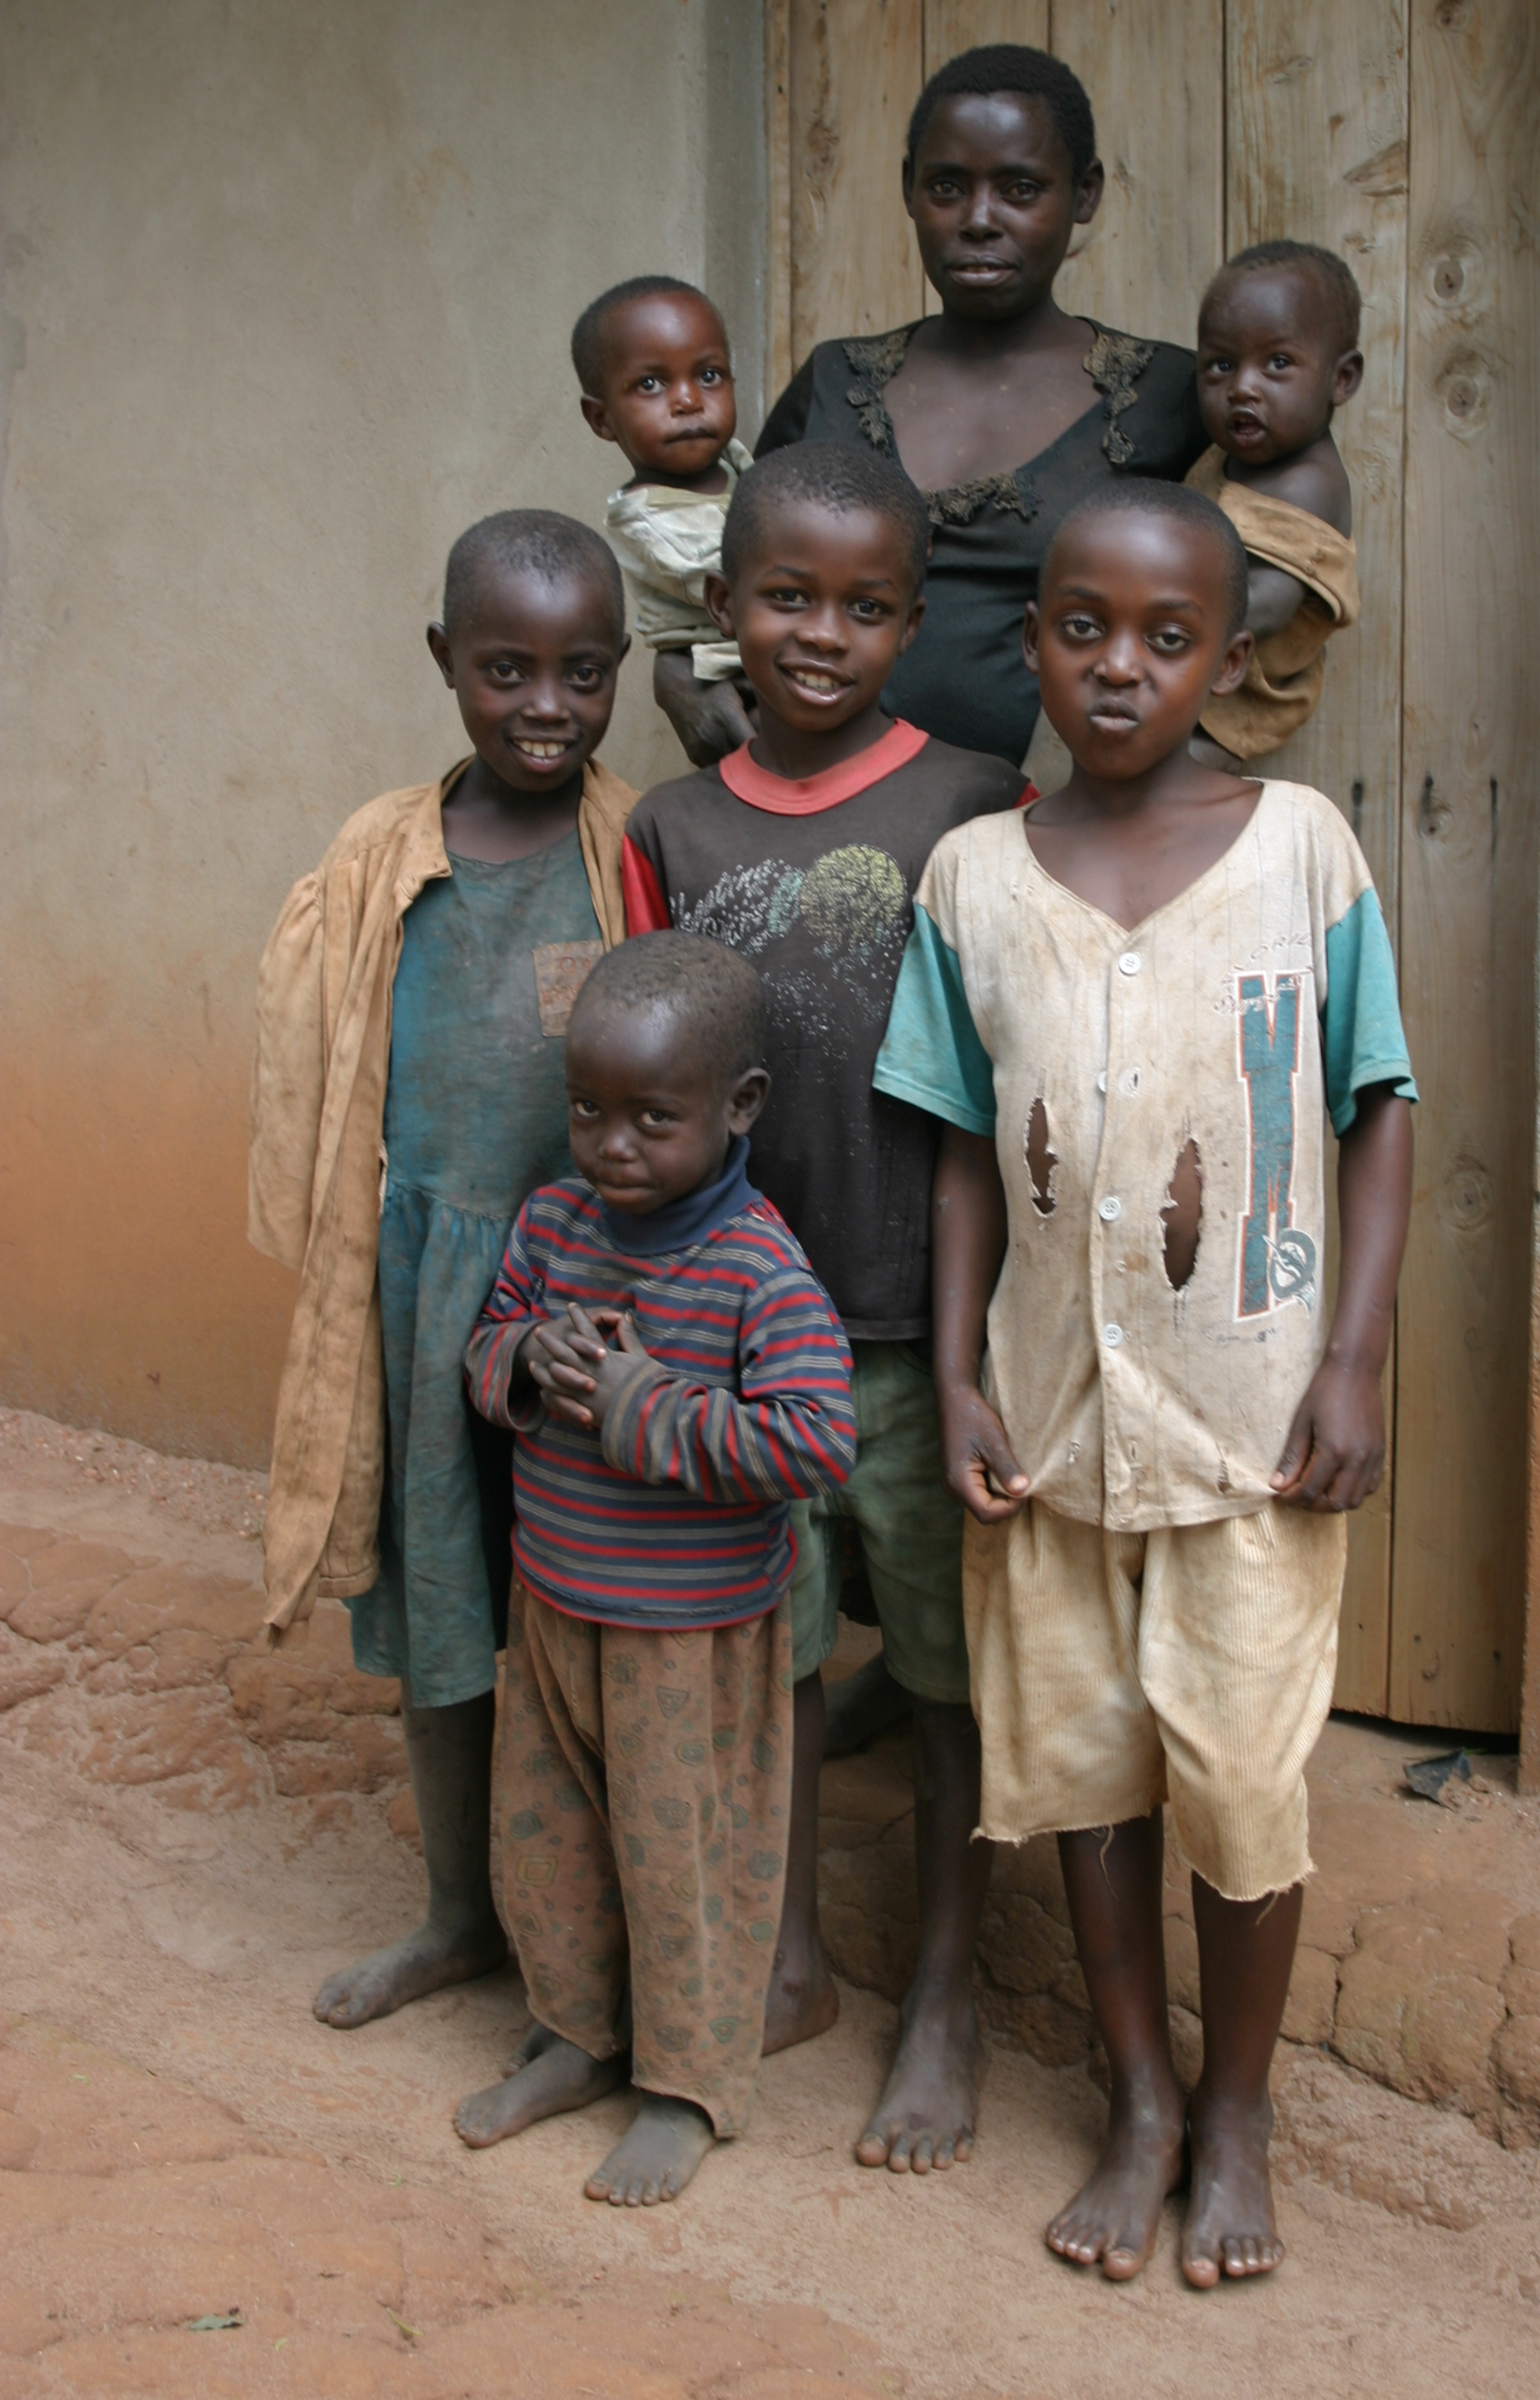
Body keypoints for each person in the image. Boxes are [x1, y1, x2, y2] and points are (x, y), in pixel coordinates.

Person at [873, 481, 1416, 2286]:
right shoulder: (974, 878)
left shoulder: (1303, 852)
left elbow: (1379, 1110)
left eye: (1165, 638)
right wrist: (954, 1378)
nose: (1118, 670)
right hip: (1043, 1434)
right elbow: (955, 1146)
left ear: (1228, 656)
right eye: (1080, 629)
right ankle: (1140, 2098)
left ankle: (1237, 2108)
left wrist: (1351, 1360)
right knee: (1084, 1778)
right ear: (1030, 643)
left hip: (1252, 1435)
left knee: (1243, 1787)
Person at [620, 440, 1030, 2175]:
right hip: (733, 1347)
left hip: (910, 1323)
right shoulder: (670, 822)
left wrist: (979, 1349)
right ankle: (780, 1948)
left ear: (912, 620)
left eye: (865, 607)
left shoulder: (973, 800)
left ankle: (944, 1987)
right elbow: (627, 1083)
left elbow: (1015, 1072)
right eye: (784, 597)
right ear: (721, 609)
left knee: (939, 1678)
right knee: (769, 1658)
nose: (819, 635)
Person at [249, 511, 636, 2031]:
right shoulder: (376, 856)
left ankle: (583, 1938)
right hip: (423, 1289)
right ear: (444, 665)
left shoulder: (633, 847)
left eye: (583, 672)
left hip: (589, 1302)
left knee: (576, 1609)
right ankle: (456, 1912)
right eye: (505, 670)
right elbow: (323, 1068)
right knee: (436, 1604)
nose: (546, 706)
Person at [451, 934, 854, 2207]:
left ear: (738, 1110)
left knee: (681, 1863)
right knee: (555, 1838)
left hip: (688, 1638)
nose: (612, 1145)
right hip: (556, 1606)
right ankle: (577, 2036)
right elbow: (487, 1342)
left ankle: (685, 2089)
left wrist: (640, 1402)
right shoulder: (555, 1221)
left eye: (652, 1119)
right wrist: (526, 1358)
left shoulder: (759, 1269)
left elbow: (813, 1442)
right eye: (588, 1112)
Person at [648, 42, 1207, 777]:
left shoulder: (1166, 396)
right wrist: (678, 676)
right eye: (947, 187)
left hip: (1055, 836)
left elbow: (1271, 579)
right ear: (910, 189)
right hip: (819, 822)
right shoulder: (836, 380)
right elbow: (716, 560)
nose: (979, 219)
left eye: (1020, 189)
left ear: (1086, 194)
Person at [1187, 241, 1365, 771]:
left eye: (1278, 364)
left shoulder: (1305, 484)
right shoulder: (1236, 455)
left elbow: (1270, 600)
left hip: (1234, 707)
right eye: (1220, 365)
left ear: (1341, 378)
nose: (1243, 387)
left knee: (1168, 783)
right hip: (1196, 675)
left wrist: (1163, 631)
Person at [574, 273, 756, 765]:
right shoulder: (649, 521)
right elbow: (746, 588)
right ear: (602, 418)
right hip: (731, 673)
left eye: (709, 375)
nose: (688, 400)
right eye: (651, 384)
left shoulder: (734, 464)